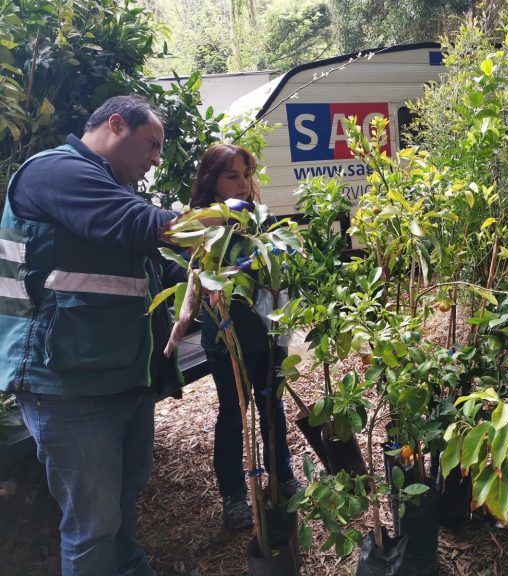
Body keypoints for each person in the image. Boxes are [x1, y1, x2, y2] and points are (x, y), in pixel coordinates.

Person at [0, 95, 185, 576]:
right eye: (151, 145)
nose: (155, 159)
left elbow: (145, 265)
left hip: (118, 377)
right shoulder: (55, 173)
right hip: (65, 385)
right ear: (116, 125)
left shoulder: (107, 187)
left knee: (121, 506)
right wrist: (221, 222)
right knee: (92, 525)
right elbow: (137, 225)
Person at [189, 143, 299, 530]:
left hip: (266, 336)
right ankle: (234, 496)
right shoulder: (201, 223)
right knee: (233, 415)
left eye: (246, 175)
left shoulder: (260, 220)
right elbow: (189, 278)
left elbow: (281, 271)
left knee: (273, 409)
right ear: (211, 181)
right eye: (231, 175)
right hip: (225, 341)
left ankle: (282, 478)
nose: (242, 184)